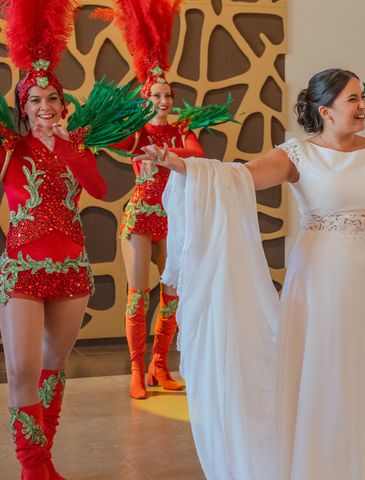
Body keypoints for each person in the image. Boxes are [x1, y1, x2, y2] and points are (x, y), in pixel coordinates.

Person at [137, 69, 365, 479]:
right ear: (326, 111)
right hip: (316, 284)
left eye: (362, 98)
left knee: (362, 379)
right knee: (318, 378)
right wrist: (181, 165)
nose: (363, 107)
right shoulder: (298, 154)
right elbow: (238, 177)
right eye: (353, 99)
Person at [0, 2, 106, 478]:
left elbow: (100, 188)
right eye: (35, 100)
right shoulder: (11, 146)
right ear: (23, 108)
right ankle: (33, 468)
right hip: (21, 271)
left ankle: (45, 464)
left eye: (52, 99)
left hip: (71, 271)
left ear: (64, 104)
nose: (45, 107)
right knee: (22, 371)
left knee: (50, 368)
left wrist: (65, 143)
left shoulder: (76, 143)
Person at [94, 0, 211, 399]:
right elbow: (108, 135)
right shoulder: (138, 132)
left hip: (175, 216)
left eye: (167, 95)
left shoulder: (181, 131)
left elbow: (199, 157)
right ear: (146, 97)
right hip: (141, 215)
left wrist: (170, 154)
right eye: (156, 95)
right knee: (138, 291)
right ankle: (136, 369)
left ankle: (162, 365)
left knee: (172, 291)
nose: (163, 101)